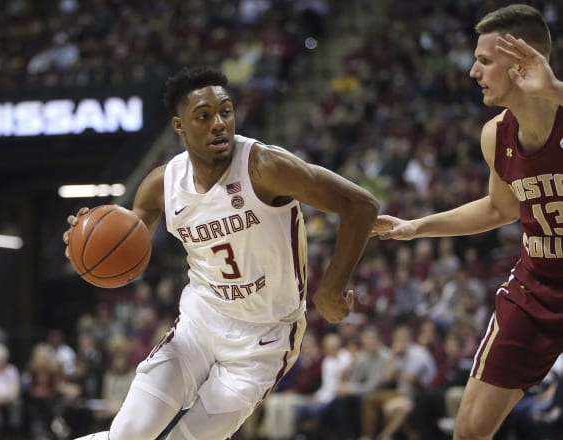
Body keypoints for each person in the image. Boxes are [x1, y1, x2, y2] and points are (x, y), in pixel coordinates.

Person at [64, 65, 379, 439]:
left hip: (263, 342)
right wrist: (89, 235)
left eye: (225, 112)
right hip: (199, 325)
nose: (219, 124)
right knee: (128, 433)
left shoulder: (265, 168)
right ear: (180, 127)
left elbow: (360, 205)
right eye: (204, 116)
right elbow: (124, 240)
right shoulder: (161, 185)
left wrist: (330, 288)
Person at [372, 4, 563, 439]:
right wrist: (418, 226)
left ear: (520, 62)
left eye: (484, 60)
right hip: (536, 286)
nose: (473, 71)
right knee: (470, 431)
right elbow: (500, 208)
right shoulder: (496, 134)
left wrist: (555, 90)